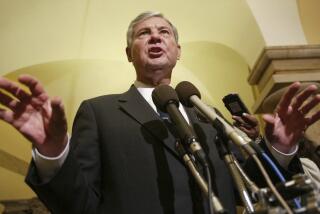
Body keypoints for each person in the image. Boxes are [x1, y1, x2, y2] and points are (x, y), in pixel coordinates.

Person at [1, 11, 320, 214]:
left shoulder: (209, 115)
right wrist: (53, 153)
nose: (155, 36)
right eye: (143, 33)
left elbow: (250, 189)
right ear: (129, 53)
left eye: (164, 32)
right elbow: (79, 204)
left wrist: (280, 148)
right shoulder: (99, 112)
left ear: (178, 51)